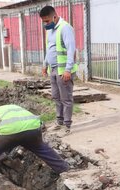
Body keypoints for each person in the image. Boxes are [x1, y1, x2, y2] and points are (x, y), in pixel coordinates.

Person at [40, 5, 78, 136]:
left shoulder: (65, 28)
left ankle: (67, 126)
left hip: (63, 70)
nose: (45, 24)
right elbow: (49, 48)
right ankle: (59, 121)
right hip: (53, 69)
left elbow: (71, 50)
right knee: (56, 97)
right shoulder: (50, 30)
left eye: (47, 21)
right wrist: (45, 64)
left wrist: (68, 70)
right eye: (43, 21)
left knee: (66, 98)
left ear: (54, 17)